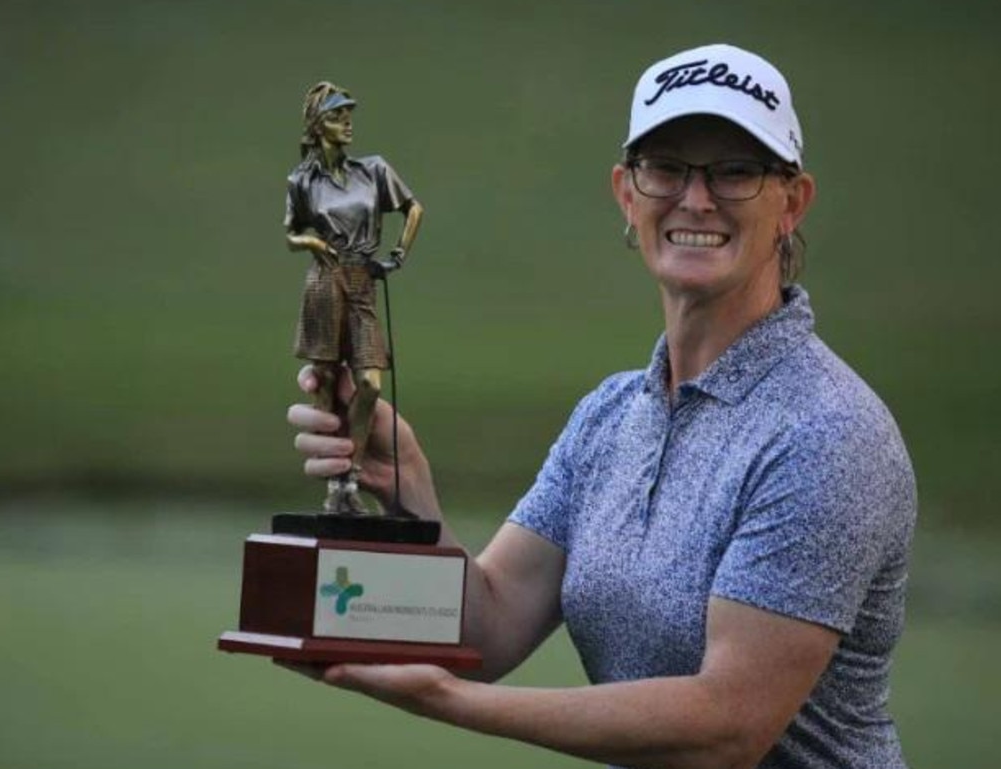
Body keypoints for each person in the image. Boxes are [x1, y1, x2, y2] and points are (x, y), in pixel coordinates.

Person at [285, 44, 916, 769]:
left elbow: (726, 725)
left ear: (792, 202)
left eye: (735, 171)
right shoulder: (612, 416)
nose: (696, 198)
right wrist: (413, 499)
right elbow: (488, 628)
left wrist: (447, 701)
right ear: (626, 192)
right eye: (667, 168)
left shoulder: (826, 433)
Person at [284, 80, 423, 513]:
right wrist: (312, 244)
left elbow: (414, 209)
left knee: (368, 382)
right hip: (326, 281)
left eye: (348, 115)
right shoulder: (302, 180)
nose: (346, 123)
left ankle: (354, 468)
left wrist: (397, 255)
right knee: (324, 377)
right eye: (336, 115)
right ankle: (338, 491)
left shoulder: (373, 170)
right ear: (315, 125)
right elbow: (290, 232)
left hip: (363, 279)